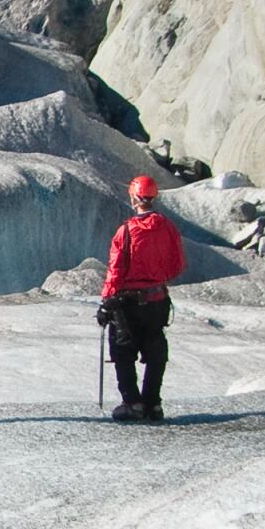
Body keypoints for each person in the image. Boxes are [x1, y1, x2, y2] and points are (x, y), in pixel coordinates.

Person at [97, 173, 186, 422]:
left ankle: (132, 403)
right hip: (158, 299)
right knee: (155, 349)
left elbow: (116, 268)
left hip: (127, 303)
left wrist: (107, 301)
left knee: (123, 352)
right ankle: (153, 404)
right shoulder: (167, 227)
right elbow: (177, 264)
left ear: (134, 197)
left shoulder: (126, 231)